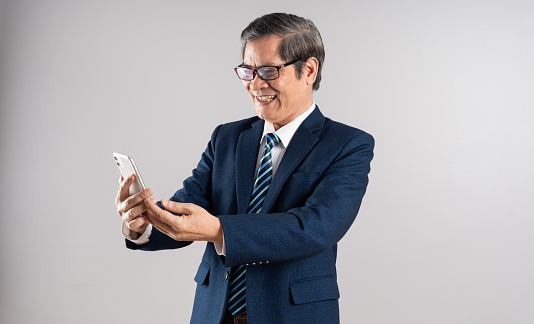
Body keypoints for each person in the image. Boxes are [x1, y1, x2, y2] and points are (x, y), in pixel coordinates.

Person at [115, 12, 374, 324]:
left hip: (293, 315)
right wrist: (141, 223)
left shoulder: (348, 144)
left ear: (308, 69)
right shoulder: (228, 137)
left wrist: (218, 230)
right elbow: (189, 208)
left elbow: (315, 228)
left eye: (267, 70)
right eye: (247, 71)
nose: (255, 85)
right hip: (214, 313)